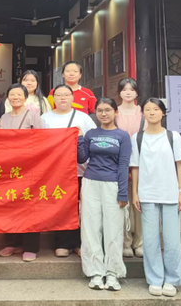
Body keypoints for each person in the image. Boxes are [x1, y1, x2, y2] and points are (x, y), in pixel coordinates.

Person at [130, 98, 181, 298]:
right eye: (148, 109)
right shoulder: (137, 138)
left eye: (156, 109)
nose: (152, 112)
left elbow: (180, 165)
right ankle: (155, 279)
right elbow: (135, 167)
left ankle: (171, 279)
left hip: (171, 194)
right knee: (150, 240)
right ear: (143, 114)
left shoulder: (173, 136)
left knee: (172, 240)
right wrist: (135, 193)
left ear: (163, 113)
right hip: (147, 194)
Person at [77, 97, 131, 291]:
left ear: (116, 112)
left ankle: (113, 273)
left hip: (113, 185)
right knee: (90, 228)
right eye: (99, 110)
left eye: (107, 110)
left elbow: (124, 165)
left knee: (113, 229)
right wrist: (79, 139)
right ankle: (95, 272)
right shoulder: (91, 134)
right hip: (90, 183)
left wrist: (123, 193)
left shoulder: (123, 136)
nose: (103, 114)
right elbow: (81, 158)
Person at [41, 84, 97, 258]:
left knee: (81, 208)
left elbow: (92, 141)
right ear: (53, 98)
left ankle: (80, 243)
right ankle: (62, 243)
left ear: (73, 98)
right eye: (59, 95)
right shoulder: (45, 118)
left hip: (80, 171)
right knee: (61, 207)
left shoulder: (83, 118)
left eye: (66, 94)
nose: (62, 98)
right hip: (55, 171)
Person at [0, 83, 44, 262]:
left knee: (29, 206)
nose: (15, 97)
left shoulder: (33, 116)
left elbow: (41, 140)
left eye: (19, 94)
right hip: (8, 169)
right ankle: (12, 242)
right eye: (12, 94)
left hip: (29, 168)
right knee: (10, 205)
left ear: (25, 97)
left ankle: (31, 246)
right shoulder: (3, 117)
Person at [115, 77, 146, 259]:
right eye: (124, 89)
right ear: (119, 92)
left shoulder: (144, 114)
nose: (128, 92)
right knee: (122, 203)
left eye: (131, 89)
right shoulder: (114, 113)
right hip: (118, 163)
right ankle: (125, 241)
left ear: (136, 93)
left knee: (140, 203)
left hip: (141, 163)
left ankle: (139, 242)